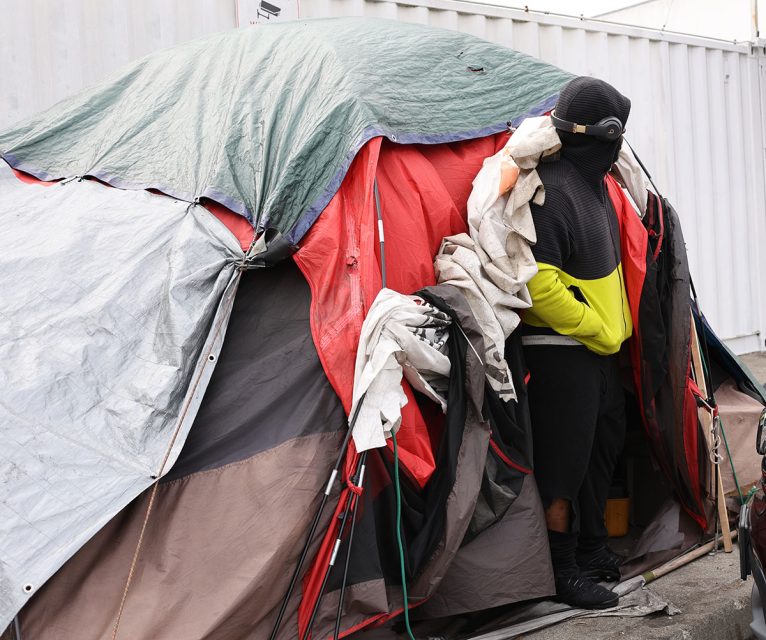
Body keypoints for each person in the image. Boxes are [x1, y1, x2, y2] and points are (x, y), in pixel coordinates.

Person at [522, 76, 633, 609]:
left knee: (596, 457)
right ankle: (562, 572)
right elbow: (538, 285)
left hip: (595, 354)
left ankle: (591, 551)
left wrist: (610, 336)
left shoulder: (595, 189)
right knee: (562, 469)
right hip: (559, 355)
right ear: (601, 136)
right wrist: (596, 326)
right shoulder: (555, 189)